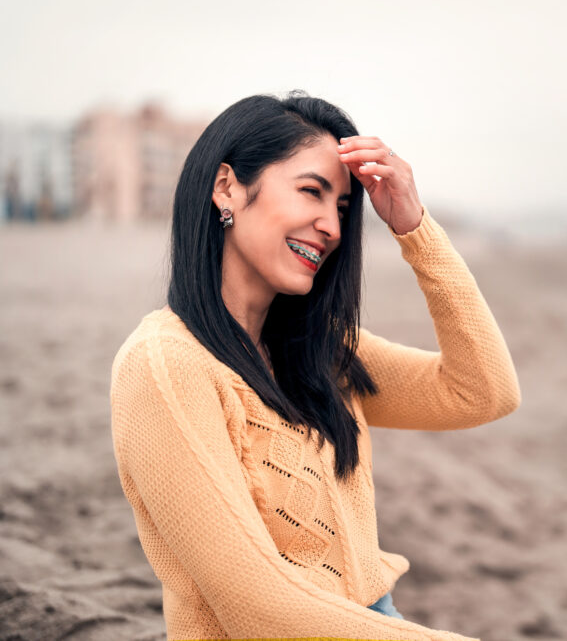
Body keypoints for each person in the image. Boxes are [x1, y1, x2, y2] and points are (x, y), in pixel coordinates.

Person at [109, 92, 522, 640]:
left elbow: (483, 392)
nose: (330, 226)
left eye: (344, 210)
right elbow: (259, 607)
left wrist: (414, 229)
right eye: (311, 191)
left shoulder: (316, 350)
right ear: (227, 187)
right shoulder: (164, 365)